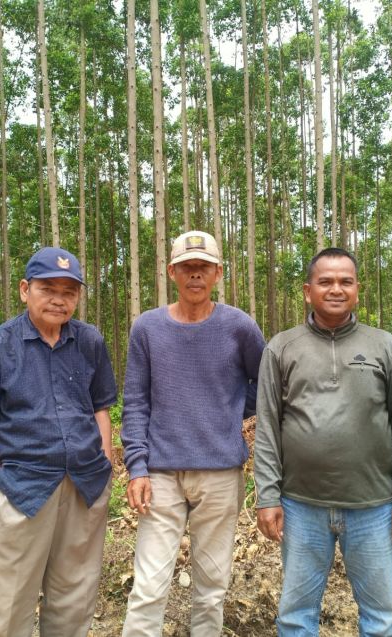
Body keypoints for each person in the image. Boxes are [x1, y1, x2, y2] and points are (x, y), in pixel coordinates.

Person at [254, 247, 392, 637]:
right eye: (325, 281)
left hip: (374, 506)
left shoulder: (385, 347)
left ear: (357, 289)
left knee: (381, 619)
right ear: (307, 290)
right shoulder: (281, 348)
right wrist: (267, 495)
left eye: (345, 281)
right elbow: (267, 428)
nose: (336, 289)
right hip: (300, 506)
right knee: (296, 616)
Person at [0, 247, 117, 637]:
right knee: (7, 603)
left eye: (70, 291)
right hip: (21, 490)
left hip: (84, 485)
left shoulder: (89, 341)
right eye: (48, 288)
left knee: (74, 596)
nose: (59, 299)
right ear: (25, 290)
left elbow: (100, 409)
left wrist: (105, 463)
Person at [120, 230, 266, 636]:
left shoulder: (239, 326)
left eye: (204, 267)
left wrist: (235, 407)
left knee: (211, 590)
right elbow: (135, 401)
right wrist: (136, 466)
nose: (195, 275)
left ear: (218, 273)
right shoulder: (148, 328)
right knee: (148, 587)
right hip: (161, 473)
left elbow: (265, 380)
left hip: (219, 473)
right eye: (187, 267)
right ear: (172, 272)